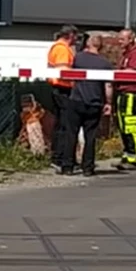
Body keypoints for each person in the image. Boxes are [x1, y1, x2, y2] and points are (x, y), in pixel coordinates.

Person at [61, 33, 113, 176]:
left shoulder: (79, 58)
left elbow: (66, 70)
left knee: (71, 133)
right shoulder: (105, 64)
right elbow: (108, 86)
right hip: (95, 103)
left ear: (88, 44)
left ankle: (67, 166)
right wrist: (108, 103)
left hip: (76, 100)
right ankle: (88, 167)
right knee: (90, 136)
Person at [113, 28, 136, 171]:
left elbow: (132, 71)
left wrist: (115, 73)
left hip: (131, 94)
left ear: (131, 39)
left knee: (130, 125)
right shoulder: (125, 54)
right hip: (122, 93)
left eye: (122, 39)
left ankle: (134, 158)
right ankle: (127, 155)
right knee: (123, 126)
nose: (119, 42)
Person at [47, 25, 78, 169]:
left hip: (58, 88)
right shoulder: (62, 49)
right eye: (76, 36)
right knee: (65, 125)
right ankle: (60, 157)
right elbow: (64, 71)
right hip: (63, 88)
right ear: (71, 35)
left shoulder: (57, 47)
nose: (76, 40)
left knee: (60, 124)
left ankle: (58, 156)